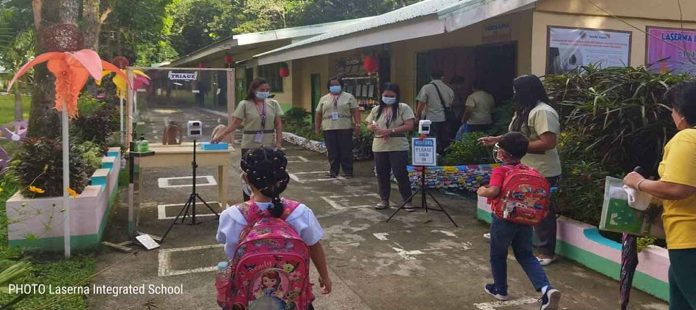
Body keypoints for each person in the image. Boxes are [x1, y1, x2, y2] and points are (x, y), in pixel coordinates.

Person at [216, 148, 332, 307]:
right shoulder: (300, 213)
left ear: (245, 179)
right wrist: (324, 276)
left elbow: (228, 249)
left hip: (247, 296)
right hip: (292, 295)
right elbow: (314, 246)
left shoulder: (232, 216)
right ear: (281, 179)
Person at [623, 81, 696, 310]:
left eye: (672, 110)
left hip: (689, 238)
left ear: (681, 112)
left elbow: (678, 188)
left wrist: (640, 183)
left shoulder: (686, 139)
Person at [479, 75, 561, 266]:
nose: (514, 94)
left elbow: (548, 142)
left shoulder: (543, 112)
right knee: (514, 203)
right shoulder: (524, 110)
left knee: (543, 208)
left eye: (517, 90)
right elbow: (516, 136)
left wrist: (518, 148)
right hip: (520, 169)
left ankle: (546, 251)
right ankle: (505, 236)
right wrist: (498, 140)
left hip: (542, 170)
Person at [477, 132, 562, 310]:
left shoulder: (501, 170)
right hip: (526, 220)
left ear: (502, 154)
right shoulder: (529, 170)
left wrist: (481, 191)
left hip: (504, 219)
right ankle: (546, 288)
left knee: (497, 254)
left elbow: (493, 191)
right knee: (526, 255)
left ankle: (500, 289)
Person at [212, 78, 284, 200]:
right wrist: (221, 135)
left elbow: (278, 124)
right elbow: (235, 123)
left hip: (267, 143)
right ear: (254, 90)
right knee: (249, 175)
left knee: (268, 173)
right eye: (262, 90)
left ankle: (268, 200)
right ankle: (249, 201)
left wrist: (278, 141)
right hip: (250, 143)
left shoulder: (273, 104)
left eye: (267, 90)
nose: (265, 92)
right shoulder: (244, 104)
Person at [366, 82, 415, 211]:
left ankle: (407, 201)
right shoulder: (376, 109)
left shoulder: (403, 108)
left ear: (397, 96)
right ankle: (384, 200)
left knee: (400, 173)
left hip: (398, 145)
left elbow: (409, 125)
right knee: (382, 173)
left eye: (391, 95)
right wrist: (372, 127)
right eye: (385, 95)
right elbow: (369, 125)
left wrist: (391, 131)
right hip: (380, 145)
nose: (388, 97)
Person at [314, 77, 360, 178]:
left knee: (346, 150)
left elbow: (355, 111)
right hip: (329, 127)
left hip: (344, 127)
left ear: (341, 85)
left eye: (336, 84)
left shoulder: (349, 97)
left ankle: (348, 171)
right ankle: (333, 171)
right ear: (329, 87)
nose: (334, 87)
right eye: (332, 85)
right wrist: (317, 127)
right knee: (332, 151)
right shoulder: (324, 98)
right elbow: (318, 113)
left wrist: (357, 124)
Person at [416, 68, 454, 154]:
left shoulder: (426, 88)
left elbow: (421, 103)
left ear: (431, 77)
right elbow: (450, 104)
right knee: (444, 139)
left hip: (430, 118)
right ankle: (444, 156)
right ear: (442, 77)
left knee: (431, 139)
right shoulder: (449, 89)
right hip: (445, 119)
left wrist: (417, 115)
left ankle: (434, 156)